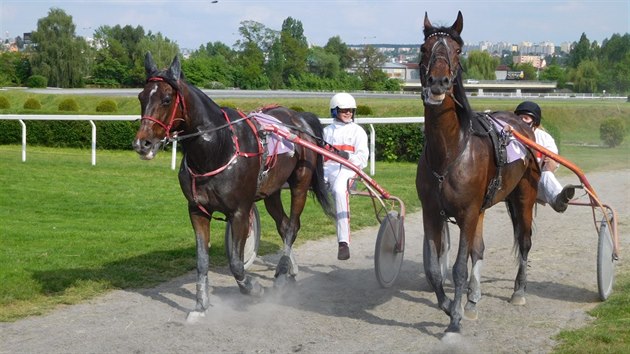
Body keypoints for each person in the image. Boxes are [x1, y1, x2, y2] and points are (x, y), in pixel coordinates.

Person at [323, 93, 369, 260]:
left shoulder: (358, 131)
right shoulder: (326, 131)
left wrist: (347, 156)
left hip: (349, 170)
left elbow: (363, 159)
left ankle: (343, 242)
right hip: (328, 169)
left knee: (339, 191)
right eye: (344, 110)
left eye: (350, 110)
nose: (348, 113)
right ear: (335, 111)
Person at [514, 101, 576, 213]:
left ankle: (559, 200)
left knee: (546, 174)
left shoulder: (545, 139)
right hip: (512, 184)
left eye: (526, 118)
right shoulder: (510, 136)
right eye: (520, 118)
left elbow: (552, 166)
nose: (522, 121)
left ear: (535, 122)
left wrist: (548, 162)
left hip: (535, 184)